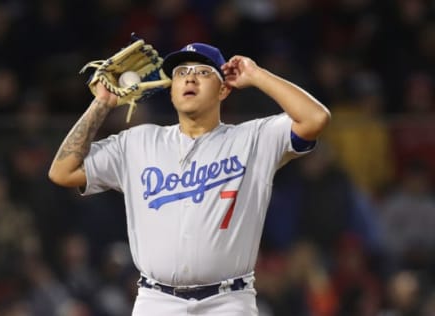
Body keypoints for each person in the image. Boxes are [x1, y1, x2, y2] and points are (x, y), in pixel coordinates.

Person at [48, 42, 331, 316]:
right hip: (156, 302)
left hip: (228, 302)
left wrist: (257, 75)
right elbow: (62, 171)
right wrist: (102, 103)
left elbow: (315, 118)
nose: (190, 78)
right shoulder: (138, 143)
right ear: (171, 91)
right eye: (181, 73)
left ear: (223, 89)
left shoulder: (252, 139)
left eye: (203, 72)